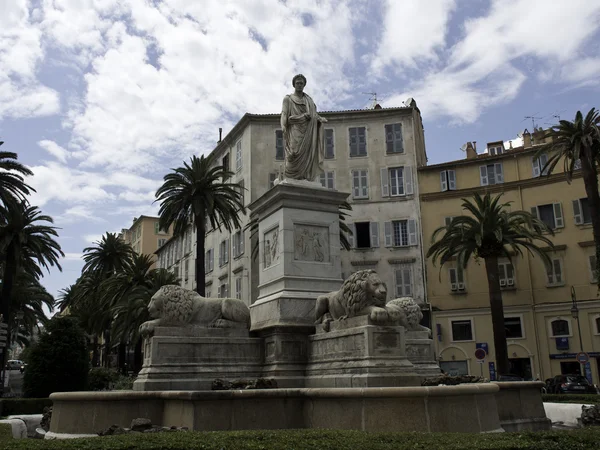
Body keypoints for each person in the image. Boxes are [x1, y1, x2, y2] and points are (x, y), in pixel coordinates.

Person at [280, 74, 328, 181]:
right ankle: (291, 177)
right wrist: (283, 127)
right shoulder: (288, 99)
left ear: (304, 85)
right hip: (294, 130)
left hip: (308, 132)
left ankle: (305, 176)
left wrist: (320, 119)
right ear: (294, 84)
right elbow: (284, 114)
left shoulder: (309, 101)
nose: (299, 85)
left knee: (307, 158)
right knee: (292, 155)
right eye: (297, 83)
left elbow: (314, 114)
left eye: (301, 83)